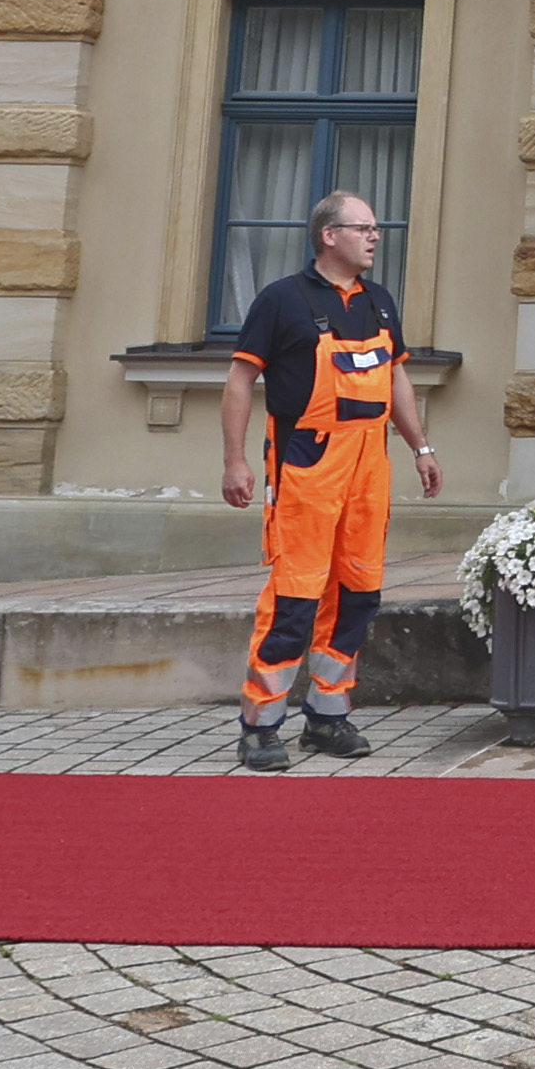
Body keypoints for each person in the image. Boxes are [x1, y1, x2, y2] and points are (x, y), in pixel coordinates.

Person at [225, 189, 437, 770]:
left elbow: (396, 381)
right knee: (296, 594)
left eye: (375, 228)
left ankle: (328, 717)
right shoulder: (281, 301)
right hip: (309, 462)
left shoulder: (379, 302)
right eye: (363, 227)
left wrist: (421, 446)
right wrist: (235, 461)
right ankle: (260, 726)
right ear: (329, 235)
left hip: (370, 463)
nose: (374, 236)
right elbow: (240, 381)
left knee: (358, 594)